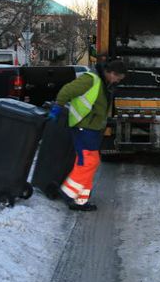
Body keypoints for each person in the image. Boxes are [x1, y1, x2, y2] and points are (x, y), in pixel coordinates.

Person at [51, 59, 127, 211]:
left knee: (90, 161)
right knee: (87, 162)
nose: (118, 81)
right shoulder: (90, 79)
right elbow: (67, 90)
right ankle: (68, 192)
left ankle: (81, 200)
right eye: (118, 78)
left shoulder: (104, 83)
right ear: (111, 73)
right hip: (83, 126)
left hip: (91, 128)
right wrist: (57, 107)